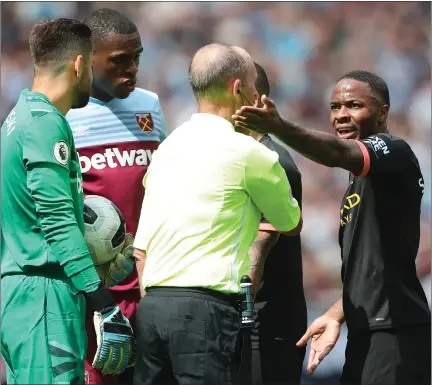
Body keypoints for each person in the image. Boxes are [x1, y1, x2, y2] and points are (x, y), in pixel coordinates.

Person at [233, 70, 431, 385]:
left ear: (382, 113)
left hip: (396, 332)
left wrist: (278, 126)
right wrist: (337, 312)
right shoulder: (363, 181)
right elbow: (376, 267)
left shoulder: (394, 151)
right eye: (335, 106)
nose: (341, 115)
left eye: (353, 105)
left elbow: (335, 153)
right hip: (367, 330)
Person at [132, 43, 303, 385]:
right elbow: (290, 222)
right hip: (206, 310)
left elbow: (141, 250)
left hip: (151, 309)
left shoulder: (166, 150)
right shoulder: (251, 153)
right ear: (239, 89)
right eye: (254, 86)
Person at [1, 18, 135, 385]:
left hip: (23, 295)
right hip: (43, 297)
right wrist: (103, 301)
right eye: (91, 66)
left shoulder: (17, 118)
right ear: (78, 65)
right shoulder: (47, 124)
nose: (92, 76)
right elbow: (57, 220)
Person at [66, 8, 167, 385]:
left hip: (150, 284)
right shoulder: (62, 117)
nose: (132, 69)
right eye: (119, 61)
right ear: (86, 60)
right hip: (94, 293)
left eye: (137, 58)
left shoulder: (150, 106)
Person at [249, 62, 307, 385]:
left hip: (268, 325)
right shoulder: (242, 157)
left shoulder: (275, 161)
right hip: (252, 320)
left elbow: (264, 244)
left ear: (254, 99)